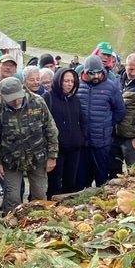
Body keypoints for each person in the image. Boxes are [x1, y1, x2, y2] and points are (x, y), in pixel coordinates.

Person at [0, 76, 58, 210]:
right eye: (11, 99)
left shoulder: (37, 102)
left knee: (39, 196)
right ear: (2, 97)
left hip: (37, 157)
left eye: (18, 97)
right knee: (12, 198)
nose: (16, 101)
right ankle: (12, 221)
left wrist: (52, 156)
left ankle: (38, 221)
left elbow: (51, 129)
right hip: (11, 160)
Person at [77, 55, 126, 186]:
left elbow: (120, 111)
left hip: (101, 143)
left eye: (99, 72)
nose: (96, 76)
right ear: (85, 72)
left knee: (102, 179)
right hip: (82, 143)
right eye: (92, 73)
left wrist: (107, 124)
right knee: (81, 180)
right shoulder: (77, 86)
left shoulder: (111, 87)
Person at [47, 66, 87, 195]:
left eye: (72, 81)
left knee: (70, 183)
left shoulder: (75, 99)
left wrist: (82, 137)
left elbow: (82, 120)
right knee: (54, 184)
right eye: (66, 81)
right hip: (56, 149)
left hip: (74, 148)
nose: (69, 84)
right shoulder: (48, 98)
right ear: (58, 81)